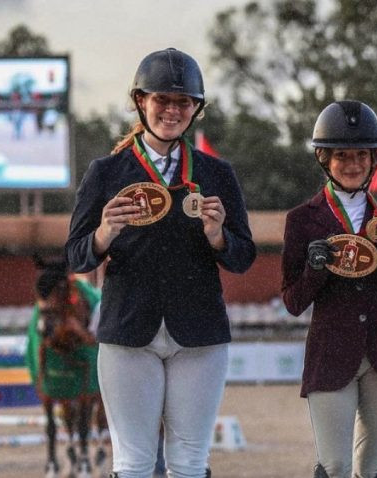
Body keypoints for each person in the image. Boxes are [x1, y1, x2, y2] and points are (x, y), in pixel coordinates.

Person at [65, 48, 256, 478]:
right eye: (162, 100)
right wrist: (103, 233)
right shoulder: (106, 172)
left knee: (189, 463)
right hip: (128, 331)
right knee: (132, 463)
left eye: (182, 102)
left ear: (195, 110)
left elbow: (243, 257)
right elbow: (74, 253)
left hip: (199, 334)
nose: (172, 110)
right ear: (141, 102)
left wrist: (218, 236)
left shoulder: (217, 173)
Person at [282, 100, 377, 478]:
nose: (353, 164)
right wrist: (315, 267)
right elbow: (293, 302)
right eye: (342, 155)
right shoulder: (302, 220)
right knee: (335, 465)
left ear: (374, 159)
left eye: (361, 155)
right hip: (331, 352)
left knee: (373, 467)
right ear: (324, 158)